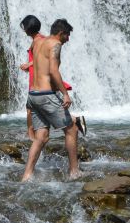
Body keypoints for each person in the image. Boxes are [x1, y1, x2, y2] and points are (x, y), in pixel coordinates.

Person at [21, 18, 80, 181]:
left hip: (33, 96)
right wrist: (65, 94)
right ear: (61, 33)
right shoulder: (55, 44)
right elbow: (53, 70)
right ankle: (74, 171)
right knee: (72, 129)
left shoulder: (38, 42)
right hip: (45, 96)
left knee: (41, 136)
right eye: (67, 35)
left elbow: (37, 65)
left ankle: (27, 175)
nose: (68, 39)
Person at [19, 15, 85, 140]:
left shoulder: (43, 40)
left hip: (41, 78)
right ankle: (35, 137)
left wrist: (29, 64)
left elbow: (45, 60)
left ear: (27, 28)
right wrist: (29, 65)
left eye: (24, 27)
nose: (23, 30)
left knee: (33, 108)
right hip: (37, 78)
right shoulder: (38, 40)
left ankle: (33, 137)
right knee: (33, 108)